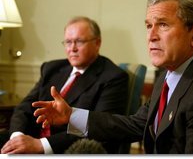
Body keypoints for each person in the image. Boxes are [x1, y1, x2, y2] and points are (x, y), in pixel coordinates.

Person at [31, 0, 193, 154]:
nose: (151, 36)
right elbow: (137, 124)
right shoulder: (171, 72)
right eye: (148, 26)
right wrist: (71, 116)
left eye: (163, 25)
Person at [0, 16, 129, 154]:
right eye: (68, 42)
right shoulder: (51, 68)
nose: (72, 48)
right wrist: (17, 137)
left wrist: (41, 145)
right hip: (29, 137)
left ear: (97, 43)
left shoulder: (113, 77)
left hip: (67, 149)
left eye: (79, 41)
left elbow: (100, 129)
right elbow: (25, 107)